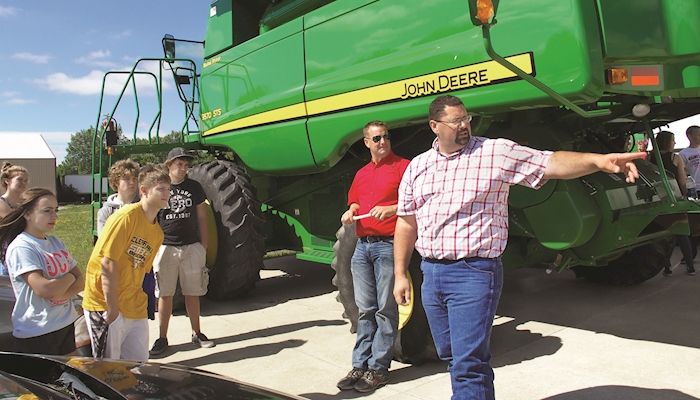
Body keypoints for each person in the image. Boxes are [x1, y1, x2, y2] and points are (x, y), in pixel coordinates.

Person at [392, 95, 646, 400]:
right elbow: (406, 223)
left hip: (474, 272)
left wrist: (597, 161)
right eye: (455, 121)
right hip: (431, 272)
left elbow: (549, 162)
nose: (464, 126)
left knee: (467, 363)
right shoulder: (418, 167)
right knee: (451, 353)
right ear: (434, 126)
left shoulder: (494, 153)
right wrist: (401, 274)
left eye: (466, 118)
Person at [336, 121, 410, 393]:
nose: (383, 142)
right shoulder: (362, 173)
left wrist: (391, 209)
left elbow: (418, 201)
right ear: (366, 142)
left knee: (385, 310)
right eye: (377, 138)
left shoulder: (404, 167)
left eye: (386, 137)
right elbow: (355, 201)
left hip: (388, 246)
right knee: (365, 309)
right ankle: (359, 365)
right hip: (362, 246)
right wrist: (351, 210)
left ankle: (378, 369)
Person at [82, 164, 171, 361]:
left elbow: (143, 271)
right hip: (105, 303)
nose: (167, 193)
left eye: (169, 189)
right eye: (161, 189)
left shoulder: (157, 233)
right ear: (144, 191)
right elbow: (108, 263)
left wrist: (148, 300)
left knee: (138, 364)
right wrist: (112, 306)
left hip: (134, 305)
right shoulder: (125, 217)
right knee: (108, 368)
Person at [0, 188, 83, 355]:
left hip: (64, 324)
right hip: (37, 331)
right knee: (43, 380)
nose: (54, 216)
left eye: (56, 210)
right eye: (47, 211)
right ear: (27, 214)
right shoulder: (22, 247)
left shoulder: (55, 242)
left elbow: (81, 279)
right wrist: (68, 278)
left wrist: (61, 293)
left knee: (66, 379)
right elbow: (44, 289)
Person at [149, 148, 213, 356]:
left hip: (191, 246)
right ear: (169, 165)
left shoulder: (194, 187)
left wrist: (203, 244)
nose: (183, 168)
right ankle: (162, 337)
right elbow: (151, 217)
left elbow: (202, 216)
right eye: (179, 164)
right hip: (166, 246)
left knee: (192, 292)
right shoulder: (160, 187)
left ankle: (197, 332)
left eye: (186, 165)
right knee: (165, 294)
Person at [650, 131, 696, 276]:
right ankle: (690, 266)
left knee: (662, 234)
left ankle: (666, 267)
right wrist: (685, 195)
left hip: (657, 199)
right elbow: (682, 180)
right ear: (668, 142)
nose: (675, 143)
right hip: (674, 197)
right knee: (682, 233)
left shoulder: (650, 158)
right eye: (673, 140)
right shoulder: (675, 158)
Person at [0, 162, 29, 276]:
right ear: (7, 181)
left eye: (26, 180)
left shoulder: (22, 204)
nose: (24, 183)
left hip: (21, 251)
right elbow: (19, 224)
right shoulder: (1, 203)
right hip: (5, 254)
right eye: (20, 179)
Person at [680, 125, 700, 197]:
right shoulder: (683, 153)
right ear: (689, 136)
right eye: (698, 135)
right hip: (696, 187)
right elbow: (683, 172)